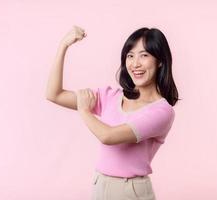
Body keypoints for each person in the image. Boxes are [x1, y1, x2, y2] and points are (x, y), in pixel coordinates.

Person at [46, 25, 179, 200]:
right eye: (130, 56)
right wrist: (63, 45)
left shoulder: (162, 111)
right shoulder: (111, 96)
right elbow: (54, 94)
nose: (135, 63)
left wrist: (84, 110)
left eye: (144, 55)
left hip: (131, 191)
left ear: (160, 61)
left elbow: (108, 136)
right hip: (100, 186)